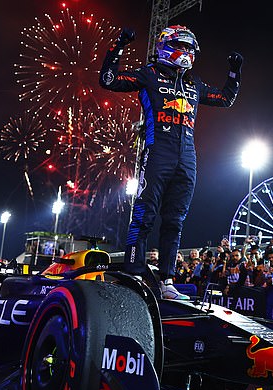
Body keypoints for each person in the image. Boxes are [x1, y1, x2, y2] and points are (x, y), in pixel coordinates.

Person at [99, 25, 242, 300]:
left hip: (187, 158)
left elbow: (225, 99)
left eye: (191, 49)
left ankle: (167, 281)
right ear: (167, 46)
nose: (187, 53)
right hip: (157, 153)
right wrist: (117, 46)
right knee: (144, 216)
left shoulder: (194, 83)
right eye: (183, 47)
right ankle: (134, 274)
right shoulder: (149, 74)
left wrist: (235, 72)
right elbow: (107, 79)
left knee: (175, 221)